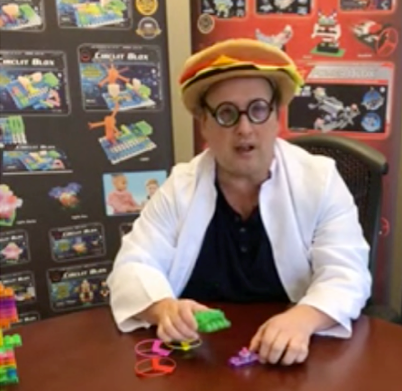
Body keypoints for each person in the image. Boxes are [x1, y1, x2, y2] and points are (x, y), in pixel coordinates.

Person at [106, 38, 372, 366]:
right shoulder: (180, 187)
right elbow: (134, 265)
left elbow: (348, 273)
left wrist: (304, 317)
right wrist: (165, 308)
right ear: (204, 122)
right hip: (197, 358)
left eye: (258, 109)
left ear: (276, 117)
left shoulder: (321, 179)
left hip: (293, 356)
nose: (244, 129)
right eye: (226, 113)